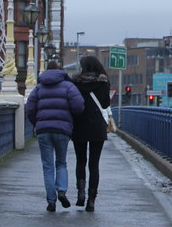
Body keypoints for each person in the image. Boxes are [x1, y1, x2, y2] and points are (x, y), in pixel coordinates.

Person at [26, 60, 85, 212]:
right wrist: (70, 119)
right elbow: (78, 106)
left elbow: (30, 108)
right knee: (61, 163)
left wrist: (37, 123)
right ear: (60, 71)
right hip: (62, 130)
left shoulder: (38, 88)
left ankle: (51, 201)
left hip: (43, 130)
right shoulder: (68, 86)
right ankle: (62, 191)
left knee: (47, 166)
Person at [72, 55, 111, 212]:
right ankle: (92, 200)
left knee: (80, 161)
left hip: (79, 124)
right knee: (94, 164)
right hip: (97, 127)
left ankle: (81, 193)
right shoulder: (103, 82)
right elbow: (105, 104)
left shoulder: (76, 82)